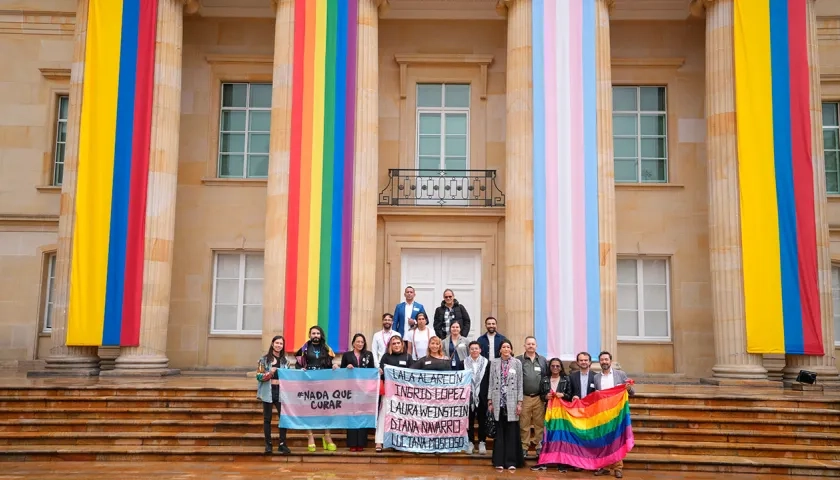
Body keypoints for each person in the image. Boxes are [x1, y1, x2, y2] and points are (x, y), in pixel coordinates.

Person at [295, 326, 338, 452]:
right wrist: (300, 369)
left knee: (327, 408)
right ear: (309, 335)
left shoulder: (327, 348)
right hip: (308, 382)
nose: (316, 335)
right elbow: (298, 364)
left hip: (324, 382)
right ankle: (310, 436)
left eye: (318, 333)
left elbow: (331, 363)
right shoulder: (304, 349)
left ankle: (327, 436)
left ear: (321, 335)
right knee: (308, 409)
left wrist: (335, 365)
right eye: (313, 333)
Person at [593, 351, 634, 478]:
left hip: (617, 414)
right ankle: (604, 467)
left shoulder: (620, 375)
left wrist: (628, 388)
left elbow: (632, 392)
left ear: (610, 361)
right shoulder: (596, 378)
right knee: (603, 440)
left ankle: (618, 467)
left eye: (606, 359)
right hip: (602, 413)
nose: (604, 362)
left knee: (616, 440)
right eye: (602, 360)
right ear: (599, 362)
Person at [488, 339, 524, 471]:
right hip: (498, 401)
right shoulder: (494, 363)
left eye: (508, 347)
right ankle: (499, 461)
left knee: (511, 432)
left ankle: (511, 461)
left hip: (512, 401)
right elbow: (491, 382)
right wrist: (490, 400)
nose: (506, 349)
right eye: (504, 347)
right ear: (500, 349)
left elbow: (520, 383)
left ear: (511, 349)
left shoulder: (517, 363)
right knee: (500, 433)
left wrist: (519, 403)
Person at [530, 358, 570, 472]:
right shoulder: (545, 380)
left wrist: (563, 395)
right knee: (547, 435)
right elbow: (541, 395)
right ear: (549, 367)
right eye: (553, 366)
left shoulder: (566, 379)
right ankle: (544, 461)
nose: (555, 368)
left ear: (561, 367)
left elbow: (569, 395)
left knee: (561, 436)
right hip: (548, 411)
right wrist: (545, 397)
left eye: (557, 366)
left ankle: (561, 462)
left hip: (562, 412)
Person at [376, 335, 413, 452]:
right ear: (390, 346)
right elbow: (381, 374)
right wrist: (380, 371)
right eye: (394, 343)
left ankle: (400, 441)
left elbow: (412, 374)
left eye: (398, 343)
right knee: (383, 415)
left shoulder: (408, 357)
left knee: (402, 417)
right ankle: (379, 441)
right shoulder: (386, 357)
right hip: (388, 392)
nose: (396, 345)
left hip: (403, 394)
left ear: (402, 344)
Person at [256, 335, 291, 455]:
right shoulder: (264, 359)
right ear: (272, 344)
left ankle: (282, 444)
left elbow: (289, 376)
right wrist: (269, 373)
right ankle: (268, 445)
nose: (279, 345)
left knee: (283, 418)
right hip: (268, 391)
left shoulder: (286, 361)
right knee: (267, 419)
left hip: (281, 392)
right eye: (277, 343)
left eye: (281, 344)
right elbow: (259, 376)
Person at [340, 333, 376, 452]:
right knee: (352, 416)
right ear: (353, 343)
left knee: (362, 416)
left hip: (364, 391)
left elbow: (372, 371)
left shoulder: (369, 355)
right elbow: (342, 371)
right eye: (358, 341)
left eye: (362, 342)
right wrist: (347, 368)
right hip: (351, 390)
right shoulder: (347, 355)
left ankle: (361, 443)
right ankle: (352, 443)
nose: (360, 344)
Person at [517, 336, 549, 458]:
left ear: (536, 346)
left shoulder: (542, 360)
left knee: (539, 424)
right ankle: (524, 447)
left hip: (538, 398)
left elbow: (546, 378)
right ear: (524, 346)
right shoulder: (518, 360)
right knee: (524, 424)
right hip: (524, 397)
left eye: (533, 344)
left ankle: (539, 446)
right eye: (528, 344)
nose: (531, 346)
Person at [463, 341, 489, 455]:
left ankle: (482, 442)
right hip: (468, 396)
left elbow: (489, 380)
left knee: (482, 421)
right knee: (469, 421)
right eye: (472, 349)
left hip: (482, 396)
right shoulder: (463, 363)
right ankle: (470, 442)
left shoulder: (487, 363)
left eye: (476, 348)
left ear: (480, 350)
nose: (474, 350)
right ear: (469, 350)